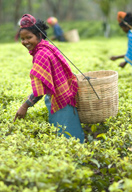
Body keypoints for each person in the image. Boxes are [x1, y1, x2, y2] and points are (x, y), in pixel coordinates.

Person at [14, 14, 85, 143]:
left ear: (39, 35)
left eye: (29, 37)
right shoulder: (46, 46)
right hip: (66, 95)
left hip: (60, 101)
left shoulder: (41, 54)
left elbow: (40, 90)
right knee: (73, 136)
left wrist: (24, 106)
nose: (25, 42)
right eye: (22, 38)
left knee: (66, 139)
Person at [110, 11, 132, 76]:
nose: (122, 30)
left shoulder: (131, 36)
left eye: (122, 28)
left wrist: (118, 58)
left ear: (126, 26)